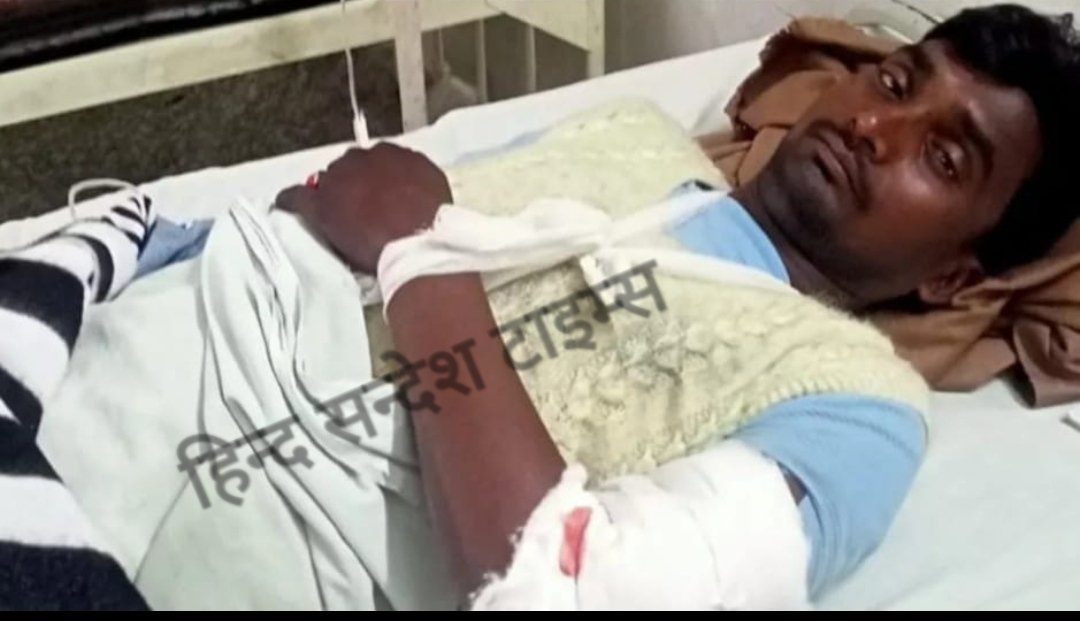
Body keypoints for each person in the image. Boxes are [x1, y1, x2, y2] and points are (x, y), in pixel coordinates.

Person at [277, 4, 1080, 610]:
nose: (872, 125)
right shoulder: (629, 132)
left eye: (944, 157)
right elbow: (337, 206)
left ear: (952, 279)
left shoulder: (860, 410)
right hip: (214, 288)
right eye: (895, 83)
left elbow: (568, 592)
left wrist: (424, 253)